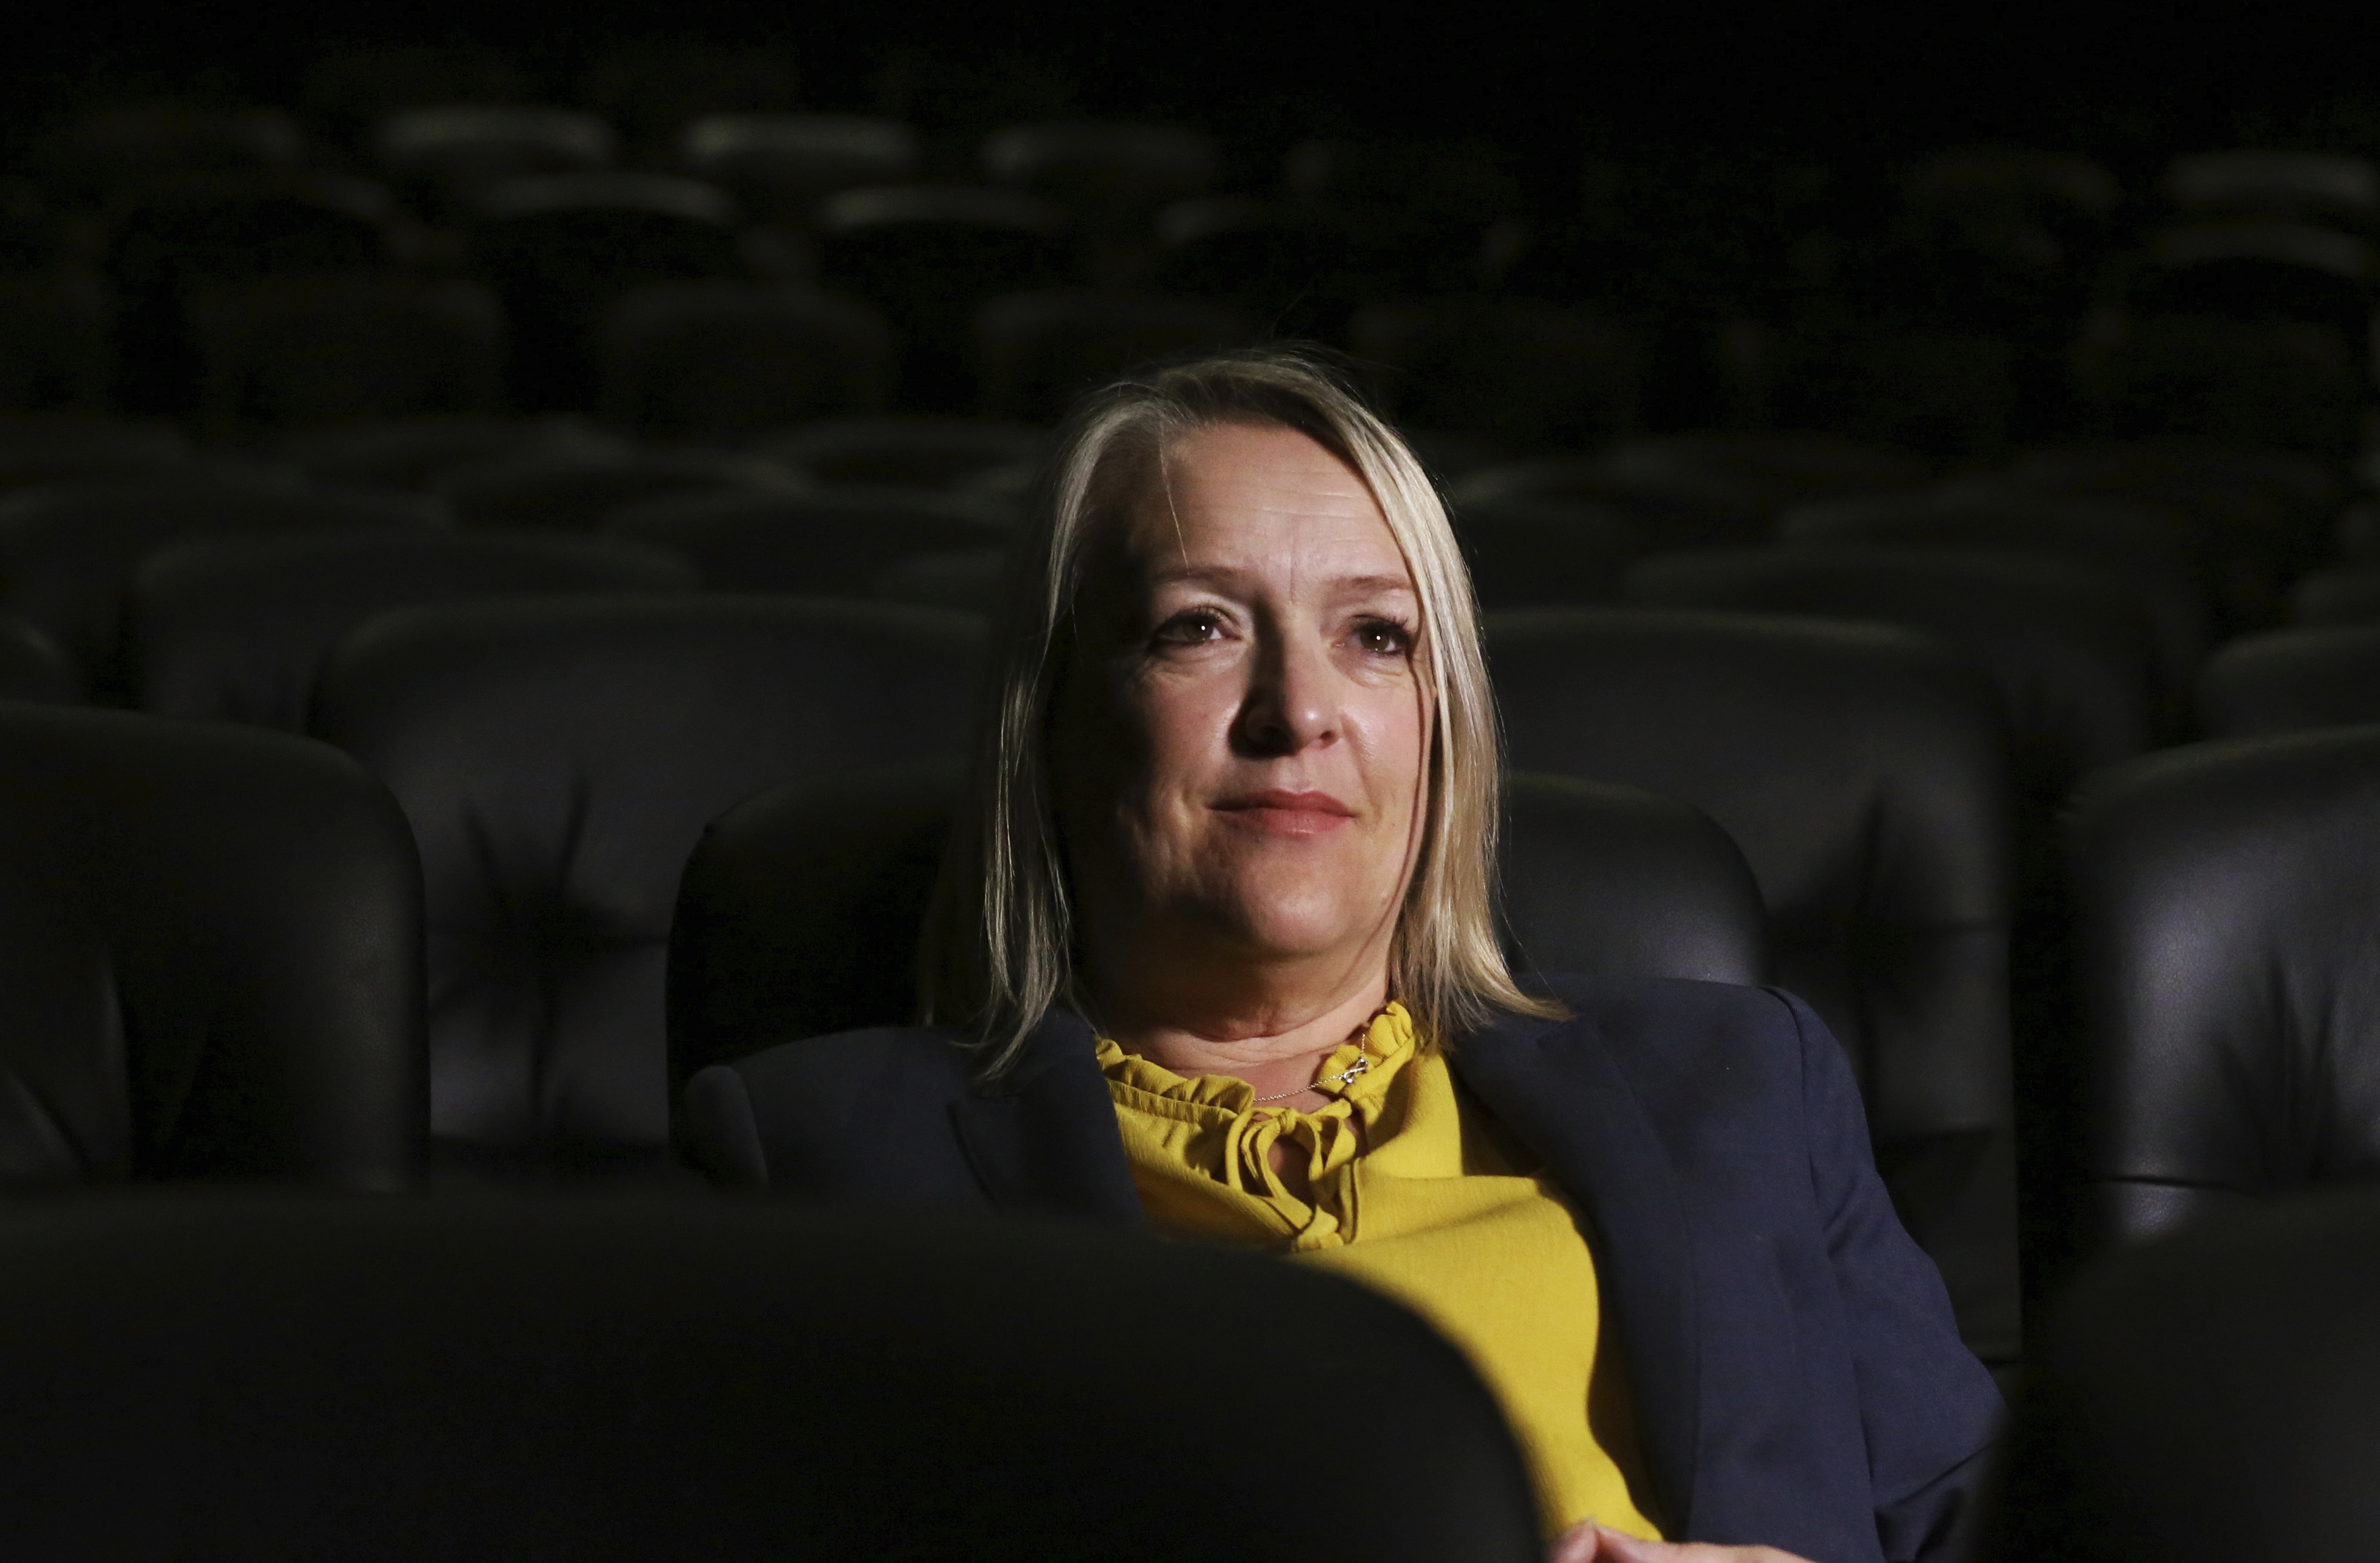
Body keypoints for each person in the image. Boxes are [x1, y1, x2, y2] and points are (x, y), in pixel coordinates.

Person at [681, 347, 2000, 1563]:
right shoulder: (816, 1161)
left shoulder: (1745, 1086)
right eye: (1198, 626)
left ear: (1443, 727)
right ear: (1057, 719)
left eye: (1377, 637)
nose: (1298, 711)